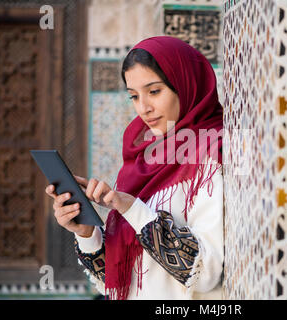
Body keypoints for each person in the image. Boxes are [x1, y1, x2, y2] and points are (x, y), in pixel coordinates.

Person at [44, 36, 224, 300]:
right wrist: (86, 232)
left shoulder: (209, 156)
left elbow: (206, 274)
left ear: (185, 83)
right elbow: (122, 279)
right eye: (134, 96)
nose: (144, 108)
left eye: (154, 91)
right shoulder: (141, 160)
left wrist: (131, 208)